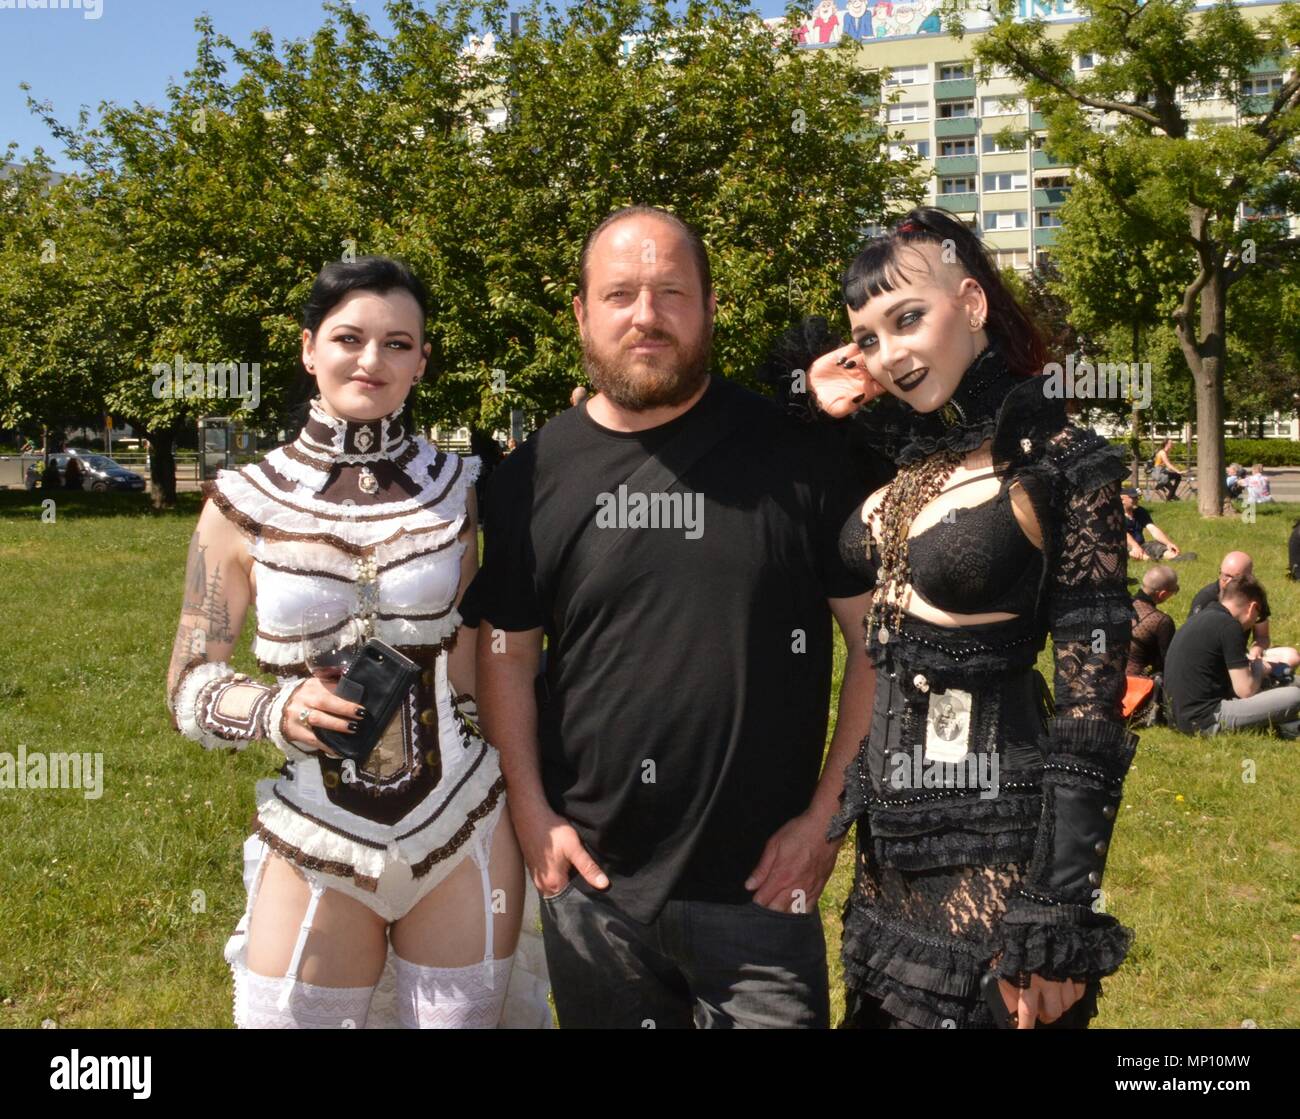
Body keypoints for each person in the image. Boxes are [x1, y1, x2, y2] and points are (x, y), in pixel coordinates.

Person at [465, 205, 878, 1028]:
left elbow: (876, 649)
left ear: (710, 306)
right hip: (594, 889)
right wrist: (533, 812)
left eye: (670, 292)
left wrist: (826, 819)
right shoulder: (529, 476)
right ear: (582, 313)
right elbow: (506, 653)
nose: (646, 315)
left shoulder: (800, 455)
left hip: (763, 892)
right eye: (620, 294)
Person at [166, 256, 545, 1029]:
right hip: (313, 830)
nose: (371, 361)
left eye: (398, 343)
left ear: (422, 360)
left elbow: (482, 664)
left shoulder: (463, 490)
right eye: (349, 338)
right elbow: (187, 684)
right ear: (309, 348)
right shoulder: (242, 502)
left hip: (461, 820)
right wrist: (276, 708)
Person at [806, 206, 1138, 1029]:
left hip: (999, 867)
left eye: (909, 318)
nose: (890, 353)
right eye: (870, 337)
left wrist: (1055, 915)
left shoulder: (1060, 461)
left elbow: (1092, 708)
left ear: (973, 303)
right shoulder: (912, 461)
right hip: (888, 874)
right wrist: (817, 401)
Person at [1164, 574, 1300, 735]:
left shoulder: (1205, 616)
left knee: (1293, 682)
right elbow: (1246, 690)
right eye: (1259, 616)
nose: (1256, 620)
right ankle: (1287, 725)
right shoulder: (1230, 627)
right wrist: (1258, 667)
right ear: (1252, 608)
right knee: (1294, 695)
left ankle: (1287, 724)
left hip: (1179, 715)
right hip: (1206, 719)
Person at [1188, 551, 1297, 667]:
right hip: (1214, 660)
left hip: (1241, 655)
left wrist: (1256, 650)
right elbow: (1192, 643)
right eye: (1225, 576)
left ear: (1248, 578)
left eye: (1235, 579)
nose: (1228, 583)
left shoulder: (1255, 597)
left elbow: (1262, 636)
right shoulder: (1206, 598)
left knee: (1291, 656)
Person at [1128, 564, 1179, 677]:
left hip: (1105, 677)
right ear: (1162, 594)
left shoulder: (1118, 607)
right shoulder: (1161, 621)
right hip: (1136, 687)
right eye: (1175, 590)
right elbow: (1168, 664)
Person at [1122, 486, 1187, 561]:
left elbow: (1153, 529)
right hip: (1125, 546)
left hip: (1141, 545)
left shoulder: (1140, 511)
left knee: (1158, 545)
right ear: (1122, 499)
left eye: (1137, 497)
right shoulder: (1116, 514)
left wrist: (1168, 543)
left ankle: (1176, 558)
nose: (1136, 500)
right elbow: (1123, 533)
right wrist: (1135, 546)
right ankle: (1150, 560)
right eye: (1133, 498)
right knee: (1128, 550)